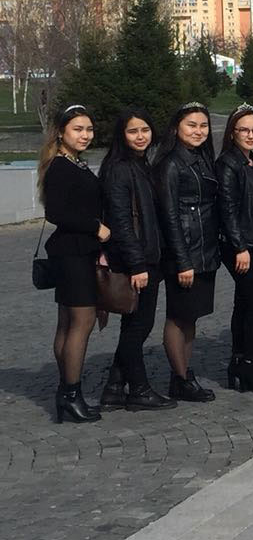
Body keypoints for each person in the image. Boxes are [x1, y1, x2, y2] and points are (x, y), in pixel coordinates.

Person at [98, 109, 174, 412]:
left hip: (149, 256)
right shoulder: (119, 169)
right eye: (133, 131)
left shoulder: (141, 164)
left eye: (145, 130)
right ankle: (139, 389)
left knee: (137, 324)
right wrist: (137, 265)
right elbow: (121, 222)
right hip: (137, 260)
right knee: (138, 326)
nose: (141, 136)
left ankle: (114, 388)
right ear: (122, 134)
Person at [41, 105, 110, 423]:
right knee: (80, 323)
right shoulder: (60, 166)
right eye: (78, 129)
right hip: (73, 254)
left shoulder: (74, 163)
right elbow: (55, 213)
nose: (85, 135)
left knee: (68, 324)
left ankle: (65, 393)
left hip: (77, 252)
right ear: (61, 133)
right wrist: (96, 227)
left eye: (89, 129)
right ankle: (71, 394)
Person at [154, 102, 222, 402]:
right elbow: (170, 216)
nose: (198, 131)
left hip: (204, 250)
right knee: (178, 316)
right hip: (185, 253)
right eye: (191, 125)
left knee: (191, 316)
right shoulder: (171, 164)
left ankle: (181, 374)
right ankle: (181, 377)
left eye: (203, 126)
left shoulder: (202, 158)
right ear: (176, 128)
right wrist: (182, 261)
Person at [215, 105, 253, 392]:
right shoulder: (228, 163)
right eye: (244, 130)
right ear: (232, 133)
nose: (251, 135)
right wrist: (240, 246)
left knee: (245, 302)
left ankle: (239, 361)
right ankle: (249, 363)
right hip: (242, 245)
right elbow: (227, 208)